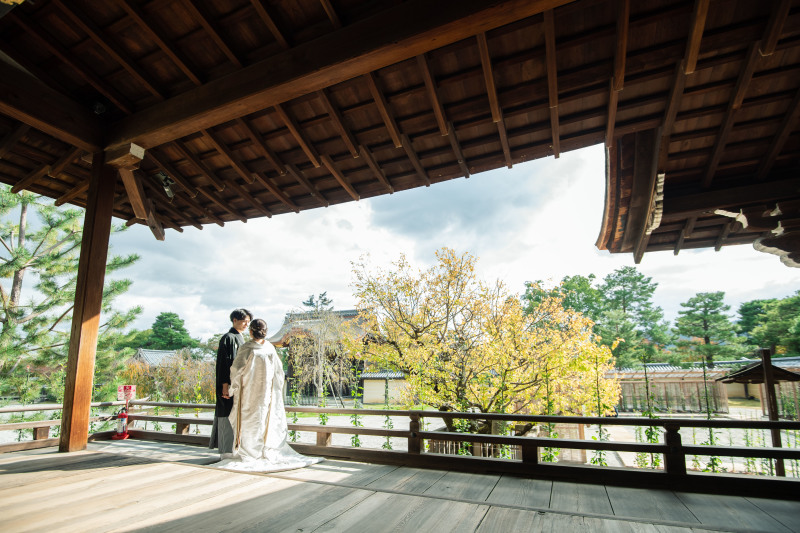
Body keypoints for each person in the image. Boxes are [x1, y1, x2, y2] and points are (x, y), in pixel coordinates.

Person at [214, 318, 322, 472]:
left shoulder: (247, 348)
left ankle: (250, 451)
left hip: (248, 393)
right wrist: (276, 390)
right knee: (263, 420)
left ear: (251, 331)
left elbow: (236, 371)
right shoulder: (270, 348)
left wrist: (231, 389)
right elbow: (279, 372)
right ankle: (262, 450)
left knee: (248, 421)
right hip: (266, 394)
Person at [209, 308, 252, 456]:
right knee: (226, 414)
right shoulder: (228, 338)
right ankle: (226, 450)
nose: (247, 324)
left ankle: (235, 448)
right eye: (244, 321)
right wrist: (225, 386)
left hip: (238, 385)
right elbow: (223, 364)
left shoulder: (240, 338)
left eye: (248, 322)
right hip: (227, 385)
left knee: (236, 414)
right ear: (235, 320)